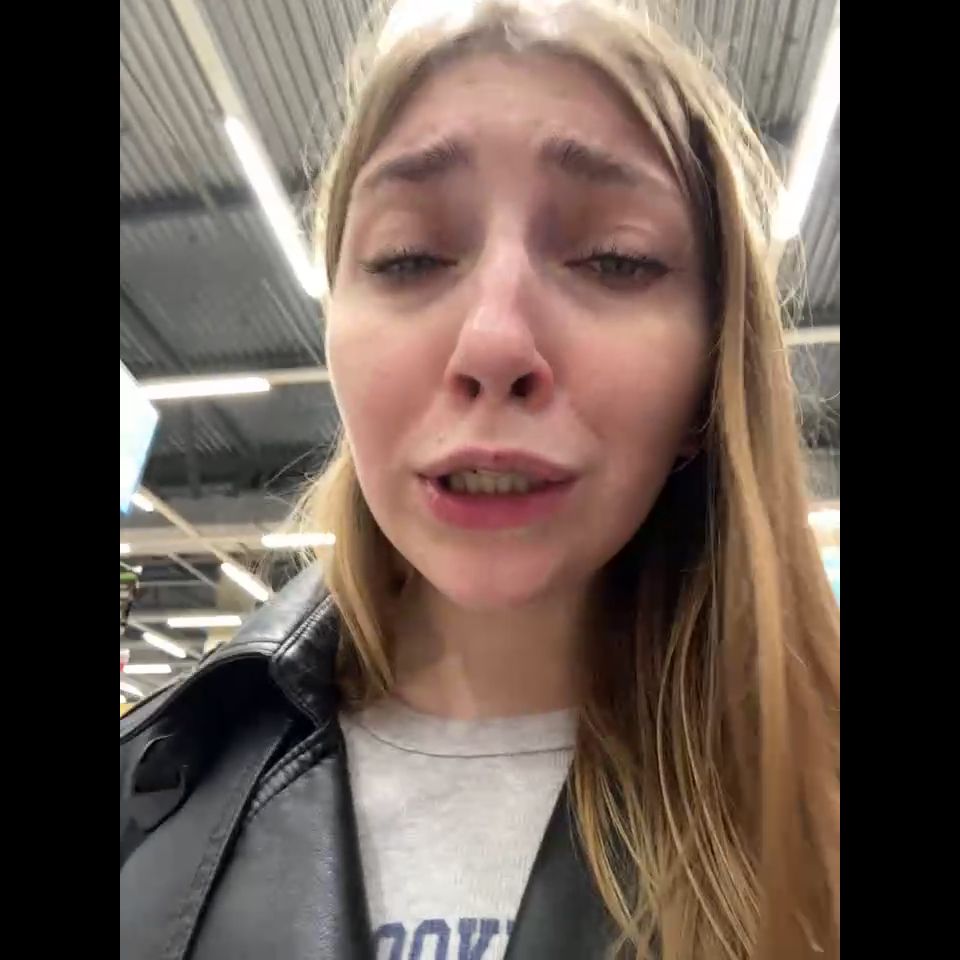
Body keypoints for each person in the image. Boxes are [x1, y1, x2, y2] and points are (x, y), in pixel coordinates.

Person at [119, 2, 840, 958]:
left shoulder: (820, 801)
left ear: (713, 369)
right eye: (408, 257)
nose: (494, 344)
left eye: (617, 258)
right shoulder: (150, 799)